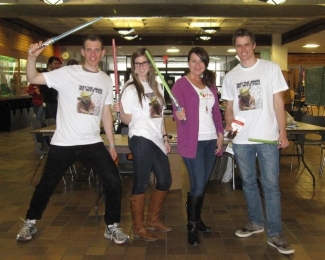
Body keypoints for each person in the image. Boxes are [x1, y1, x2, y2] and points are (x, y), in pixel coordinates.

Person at [16, 35, 129, 245]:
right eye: (89, 50)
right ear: (83, 52)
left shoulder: (105, 79)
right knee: (46, 185)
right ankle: (30, 221)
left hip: (92, 143)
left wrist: (112, 145)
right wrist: (31, 58)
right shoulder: (67, 73)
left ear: (103, 53)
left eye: (97, 50)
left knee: (113, 182)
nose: (93, 54)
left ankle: (111, 226)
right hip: (64, 143)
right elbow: (33, 78)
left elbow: (105, 113)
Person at [221, 28, 294, 255]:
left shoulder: (270, 69)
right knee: (249, 183)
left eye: (246, 45)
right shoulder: (231, 76)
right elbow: (230, 109)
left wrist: (282, 133)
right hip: (242, 140)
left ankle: (274, 234)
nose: (242, 50)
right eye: (239, 45)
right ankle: (256, 222)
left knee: (271, 187)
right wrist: (231, 134)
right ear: (235, 48)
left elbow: (278, 103)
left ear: (253, 46)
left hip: (267, 138)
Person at [114, 48, 172, 241]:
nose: (141, 66)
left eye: (144, 63)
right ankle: (138, 227)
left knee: (165, 180)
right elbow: (126, 120)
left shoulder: (156, 86)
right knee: (140, 182)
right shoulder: (131, 88)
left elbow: (159, 117)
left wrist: (164, 138)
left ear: (150, 65)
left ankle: (153, 219)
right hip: (140, 137)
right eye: (137, 63)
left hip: (156, 138)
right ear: (133, 67)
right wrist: (119, 111)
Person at [172, 47, 224, 246]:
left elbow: (216, 113)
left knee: (202, 183)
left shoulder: (209, 84)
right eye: (193, 60)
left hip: (211, 139)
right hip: (192, 141)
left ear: (205, 63)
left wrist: (220, 135)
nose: (197, 64)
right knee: (198, 184)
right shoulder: (180, 85)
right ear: (188, 62)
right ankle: (192, 226)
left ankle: (196, 217)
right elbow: (177, 111)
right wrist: (180, 114)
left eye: (201, 61)